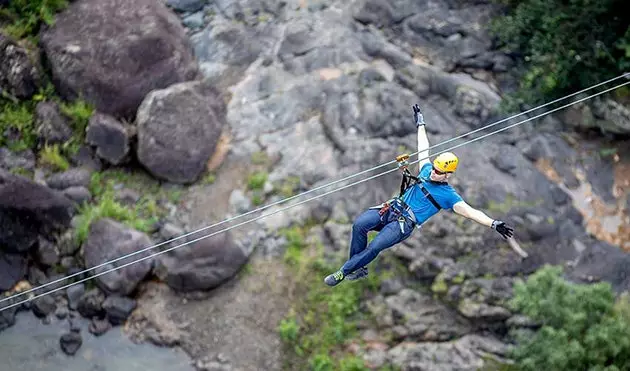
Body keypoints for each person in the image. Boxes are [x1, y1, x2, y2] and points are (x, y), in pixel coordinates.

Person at [324, 104, 514, 287]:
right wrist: (420, 124)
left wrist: (493, 223)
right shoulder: (427, 169)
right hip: (391, 209)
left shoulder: (448, 195)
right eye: (435, 169)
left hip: (403, 224)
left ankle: (343, 272)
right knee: (359, 225)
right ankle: (358, 267)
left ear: (448, 175)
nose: (434, 173)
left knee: (375, 247)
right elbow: (424, 148)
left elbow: (471, 212)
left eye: (439, 172)